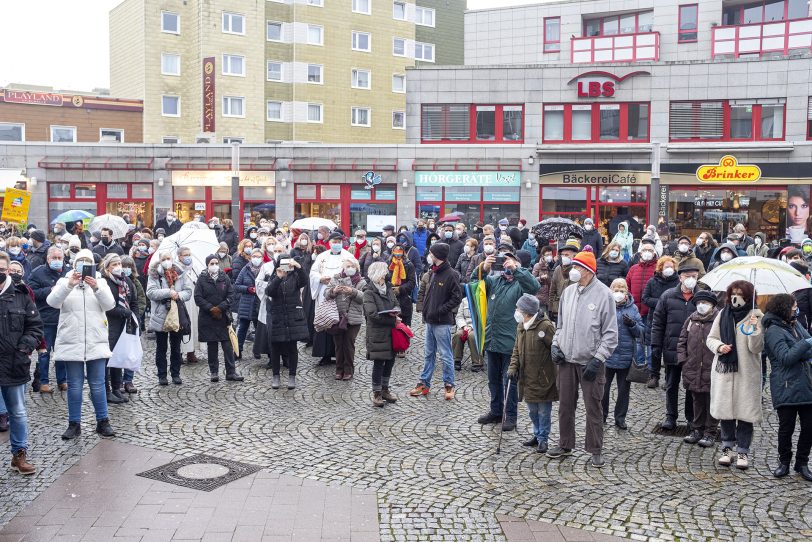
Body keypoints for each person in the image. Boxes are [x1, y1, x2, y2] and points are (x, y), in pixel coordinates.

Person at [548, 250, 618, 467]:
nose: (573, 270)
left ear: (588, 271)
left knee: (593, 407)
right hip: (567, 361)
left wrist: (598, 359)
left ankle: (595, 448)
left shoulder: (604, 294)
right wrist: (555, 344)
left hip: (590, 362)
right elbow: (560, 325)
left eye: (577, 267)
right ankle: (565, 443)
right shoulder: (568, 292)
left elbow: (611, 334)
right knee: (565, 406)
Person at [47, 249, 117, 440]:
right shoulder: (64, 281)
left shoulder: (101, 282)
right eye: (81, 261)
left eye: (87, 261)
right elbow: (52, 302)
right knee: (75, 385)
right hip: (72, 340)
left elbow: (110, 305)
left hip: (95, 339)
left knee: (98, 384)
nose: (84, 264)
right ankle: (74, 423)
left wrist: (96, 288)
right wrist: (69, 286)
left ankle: (103, 421)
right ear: (74, 264)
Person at [475, 250, 540, 432]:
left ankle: (510, 415)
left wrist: (517, 268)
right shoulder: (495, 281)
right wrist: (483, 267)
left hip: (511, 342)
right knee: (493, 380)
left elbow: (534, 286)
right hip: (492, 339)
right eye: (502, 262)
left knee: (509, 381)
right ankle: (496, 411)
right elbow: (476, 282)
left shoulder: (520, 284)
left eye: (508, 261)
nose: (505, 265)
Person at [706, 280, 764, 471]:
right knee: (726, 412)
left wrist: (755, 329)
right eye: (733, 292)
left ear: (748, 296)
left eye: (740, 293)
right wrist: (720, 347)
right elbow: (711, 339)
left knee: (745, 413)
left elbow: (756, 348)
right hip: (724, 370)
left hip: (746, 373)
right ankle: (727, 447)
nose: (735, 297)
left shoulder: (755, 315)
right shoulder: (723, 314)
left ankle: (743, 451)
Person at [0, 252, 44, 474]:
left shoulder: (21, 294)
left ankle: (19, 454)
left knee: (17, 412)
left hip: (14, 363)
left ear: (8, 270)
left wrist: (24, 349)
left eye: (2, 269)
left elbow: (35, 326)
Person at [763, 293, 812, 480]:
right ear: (784, 307)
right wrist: (804, 344)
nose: (796, 307)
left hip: (806, 383)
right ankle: (784, 462)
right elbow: (786, 358)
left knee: (809, 427)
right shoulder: (774, 330)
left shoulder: (795, 324)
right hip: (786, 385)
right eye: (793, 305)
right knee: (787, 427)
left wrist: (804, 346)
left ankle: (802, 463)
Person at [650, 261, 700, 431]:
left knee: (690, 386)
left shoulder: (702, 298)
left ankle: (691, 418)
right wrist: (656, 344)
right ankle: (670, 416)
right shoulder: (668, 296)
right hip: (672, 348)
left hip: (693, 350)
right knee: (671, 384)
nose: (691, 279)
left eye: (694, 276)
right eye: (687, 276)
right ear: (680, 278)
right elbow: (658, 323)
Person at [505, 293, 557, 454]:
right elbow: (516, 349)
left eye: (518, 309)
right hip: (526, 377)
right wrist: (513, 367)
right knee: (532, 410)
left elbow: (555, 348)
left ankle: (543, 439)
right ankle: (536, 433)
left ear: (527, 311)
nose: (516, 311)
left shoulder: (546, 327)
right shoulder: (521, 326)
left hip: (543, 378)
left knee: (543, 411)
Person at [410, 242, 462, 401]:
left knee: (446, 354)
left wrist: (440, 310)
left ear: (437, 256)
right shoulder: (432, 272)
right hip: (430, 320)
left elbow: (456, 298)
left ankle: (449, 385)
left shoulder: (451, 274)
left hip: (442, 321)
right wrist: (425, 311)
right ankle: (424, 383)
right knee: (428, 353)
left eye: (432, 254)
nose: (429, 256)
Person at [677, 290, 720, 448]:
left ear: (713, 305)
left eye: (706, 303)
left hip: (712, 368)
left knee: (712, 402)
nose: (702, 306)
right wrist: (683, 360)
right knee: (697, 401)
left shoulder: (719, 320)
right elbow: (682, 340)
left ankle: (710, 432)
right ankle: (696, 430)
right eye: (699, 303)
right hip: (693, 367)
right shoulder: (691, 319)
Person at [601, 279, 644, 430]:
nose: (618, 293)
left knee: (623, 390)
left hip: (626, 355)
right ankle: (602, 415)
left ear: (627, 292)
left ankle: (620, 418)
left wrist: (632, 324)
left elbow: (640, 331)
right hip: (607, 355)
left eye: (622, 290)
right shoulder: (604, 305)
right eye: (616, 289)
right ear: (610, 290)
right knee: (603, 389)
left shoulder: (633, 309)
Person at [147, 250, 193, 386]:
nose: (167, 261)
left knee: (176, 346)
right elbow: (151, 292)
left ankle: (175, 373)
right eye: (164, 259)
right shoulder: (154, 274)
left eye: (169, 258)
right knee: (161, 347)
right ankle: (162, 375)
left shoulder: (180, 272)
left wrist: (178, 295)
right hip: (161, 313)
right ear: (160, 261)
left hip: (176, 313)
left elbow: (188, 291)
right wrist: (168, 292)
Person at [194, 254, 243, 382]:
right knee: (212, 346)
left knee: (228, 345)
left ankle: (231, 372)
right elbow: (198, 297)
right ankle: (214, 372)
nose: (215, 265)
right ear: (207, 265)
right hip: (208, 317)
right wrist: (211, 308)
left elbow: (231, 295)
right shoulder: (202, 279)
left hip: (223, 317)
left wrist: (220, 307)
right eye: (212, 263)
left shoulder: (224, 277)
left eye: (216, 263)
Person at [28, 246, 69, 393]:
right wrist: (50, 290)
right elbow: (32, 292)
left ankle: (62, 380)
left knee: (62, 352)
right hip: (46, 318)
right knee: (44, 352)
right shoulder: (38, 272)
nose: (57, 261)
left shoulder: (68, 272)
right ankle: (43, 382)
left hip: (64, 318)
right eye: (54, 258)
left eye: (60, 258)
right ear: (48, 258)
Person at [309, 233, 355, 365]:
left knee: (339, 321)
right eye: (334, 241)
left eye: (339, 241)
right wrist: (320, 278)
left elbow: (354, 272)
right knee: (325, 320)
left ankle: (340, 355)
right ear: (329, 243)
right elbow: (313, 272)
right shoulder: (321, 257)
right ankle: (325, 355)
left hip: (341, 294)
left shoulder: (348, 256)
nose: (337, 244)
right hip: (324, 290)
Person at [100, 254, 138, 404]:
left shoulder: (126, 281)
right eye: (114, 264)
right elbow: (107, 306)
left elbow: (133, 301)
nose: (117, 267)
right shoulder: (105, 282)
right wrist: (124, 312)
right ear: (107, 266)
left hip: (125, 324)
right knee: (107, 358)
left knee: (118, 357)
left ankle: (117, 388)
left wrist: (135, 318)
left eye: (119, 263)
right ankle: (106, 390)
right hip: (110, 323)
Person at [267, 253, 308, 390]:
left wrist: (298, 267)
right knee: (275, 346)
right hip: (277, 315)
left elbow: (304, 281)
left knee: (292, 347)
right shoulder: (274, 277)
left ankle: (292, 376)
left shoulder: (295, 276)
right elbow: (269, 291)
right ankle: (276, 376)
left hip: (292, 315)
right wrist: (278, 277)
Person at [363, 261, 400, 407]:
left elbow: (397, 303)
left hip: (391, 333)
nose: (387, 274)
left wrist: (396, 311)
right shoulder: (369, 292)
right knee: (379, 363)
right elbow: (372, 314)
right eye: (385, 271)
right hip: (377, 333)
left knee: (390, 361)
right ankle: (377, 393)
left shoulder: (389, 289)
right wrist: (392, 320)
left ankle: (385, 389)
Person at [325, 258, 367, 381]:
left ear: (356, 268)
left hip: (353, 318)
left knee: (349, 344)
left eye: (352, 266)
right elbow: (326, 294)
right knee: (338, 344)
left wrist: (352, 291)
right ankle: (339, 370)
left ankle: (348, 370)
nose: (349, 268)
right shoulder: (336, 278)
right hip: (337, 316)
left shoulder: (361, 281)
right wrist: (334, 291)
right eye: (347, 266)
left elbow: (364, 298)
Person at [642, 256, 680, 389]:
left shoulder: (678, 282)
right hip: (655, 319)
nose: (669, 269)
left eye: (671, 267)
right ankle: (654, 376)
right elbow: (645, 298)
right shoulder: (652, 281)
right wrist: (661, 302)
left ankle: (668, 378)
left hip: (672, 320)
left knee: (669, 350)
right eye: (666, 267)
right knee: (655, 349)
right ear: (660, 268)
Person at [120, 256, 145, 393]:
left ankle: (128, 380)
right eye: (124, 266)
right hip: (119, 319)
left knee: (131, 352)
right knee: (119, 351)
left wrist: (136, 315)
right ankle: (117, 381)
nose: (126, 269)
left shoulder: (136, 283)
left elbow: (141, 300)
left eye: (129, 266)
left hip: (132, 321)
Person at [235, 248, 263, 358]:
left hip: (259, 303)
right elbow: (237, 285)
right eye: (254, 256)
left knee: (259, 329)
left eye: (258, 256)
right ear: (251, 257)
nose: (256, 258)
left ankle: (258, 350)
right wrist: (248, 289)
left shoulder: (266, 268)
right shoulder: (245, 269)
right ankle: (238, 351)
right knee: (242, 328)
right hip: (246, 303)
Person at [177, 246, 202, 364]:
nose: (187, 257)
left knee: (194, 325)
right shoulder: (175, 269)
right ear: (179, 257)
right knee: (182, 325)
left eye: (189, 254)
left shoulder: (195, 268)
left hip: (194, 301)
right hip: (182, 301)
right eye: (185, 255)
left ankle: (191, 352)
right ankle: (179, 352)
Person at [548, 239, 580, 322]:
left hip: (574, 308)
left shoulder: (578, 270)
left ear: (574, 256)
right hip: (558, 308)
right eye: (562, 255)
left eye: (567, 255)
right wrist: (551, 308)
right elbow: (552, 290)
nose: (564, 257)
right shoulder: (558, 269)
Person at [453, 297, 484, 372]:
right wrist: (464, 326)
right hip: (464, 325)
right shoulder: (464, 300)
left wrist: (471, 327)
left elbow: (482, 318)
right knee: (458, 335)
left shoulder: (482, 300)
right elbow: (459, 316)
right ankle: (457, 359)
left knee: (472, 336)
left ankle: (476, 362)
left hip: (476, 327)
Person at [388, 245, 415, 328]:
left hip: (404, 300)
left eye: (400, 251)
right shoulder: (388, 263)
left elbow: (412, 282)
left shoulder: (409, 264)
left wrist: (400, 289)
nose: (397, 253)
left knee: (403, 327)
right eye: (395, 250)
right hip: (390, 299)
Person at [531, 245, 555, 315]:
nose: (549, 256)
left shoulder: (552, 265)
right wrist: (541, 278)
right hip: (540, 297)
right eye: (547, 255)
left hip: (549, 297)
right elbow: (532, 280)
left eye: (550, 254)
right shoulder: (537, 266)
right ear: (543, 256)